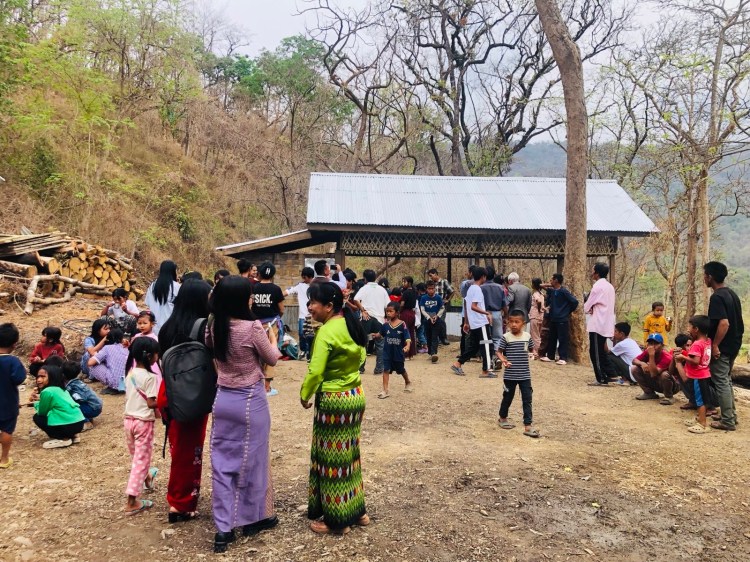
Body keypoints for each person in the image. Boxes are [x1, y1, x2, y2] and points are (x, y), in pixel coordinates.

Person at [206, 275, 281, 553]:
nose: (252, 298)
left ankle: (223, 529)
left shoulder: (213, 327)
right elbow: (272, 358)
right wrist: (273, 338)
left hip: (223, 399)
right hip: (250, 399)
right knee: (254, 461)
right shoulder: (252, 327)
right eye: (249, 295)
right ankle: (253, 518)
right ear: (240, 300)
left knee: (222, 463)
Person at [300, 282, 369, 535]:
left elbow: (316, 370)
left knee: (332, 459)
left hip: (334, 400)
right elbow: (362, 358)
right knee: (350, 455)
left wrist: (305, 394)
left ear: (329, 306)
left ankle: (337, 520)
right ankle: (358, 512)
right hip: (355, 395)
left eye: (313, 303)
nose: (309, 307)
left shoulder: (326, 332)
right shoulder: (351, 324)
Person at [158, 278, 212, 524]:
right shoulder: (203, 328)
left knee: (179, 448)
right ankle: (180, 504)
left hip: (168, 392)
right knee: (190, 451)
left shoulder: (167, 327)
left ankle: (178, 497)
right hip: (191, 394)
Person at [122, 337, 160, 515]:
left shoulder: (130, 373)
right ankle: (132, 501)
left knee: (137, 457)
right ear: (150, 356)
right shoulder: (151, 377)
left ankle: (147, 477)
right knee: (141, 460)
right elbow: (151, 403)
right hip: (143, 422)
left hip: (128, 421)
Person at [704, 261, 744, 431]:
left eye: (705, 275)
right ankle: (730, 415)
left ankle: (727, 421)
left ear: (710, 277)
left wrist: (715, 345)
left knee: (721, 381)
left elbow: (724, 323)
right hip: (734, 344)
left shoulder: (717, 297)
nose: (704, 278)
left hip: (723, 347)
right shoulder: (732, 294)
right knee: (726, 380)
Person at [496, 309, 539, 438]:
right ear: (508, 323)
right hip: (510, 375)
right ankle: (502, 418)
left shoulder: (527, 336)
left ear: (523, 324)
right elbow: (498, 351)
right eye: (511, 322)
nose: (514, 324)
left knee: (527, 399)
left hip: (525, 375)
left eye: (517, 322)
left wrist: (533, 353)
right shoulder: (506, 337)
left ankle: (528, 426)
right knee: (507, 397)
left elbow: (531, 349)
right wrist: (503, 360)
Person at [451, 267, 494, 378]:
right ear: (483, 277)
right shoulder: (477, 289)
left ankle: (458, 363)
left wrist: (466, 322)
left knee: (474, 347)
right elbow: (473, 306)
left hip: (474, 323)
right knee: (487, 345)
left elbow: (466, 306)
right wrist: (487, 313)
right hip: (480, 323)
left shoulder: (470, 289)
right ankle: (486, 371)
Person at [675, 315, 713, 434]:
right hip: (705, 374)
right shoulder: (708, 341)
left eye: (690, 326)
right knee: (702, 398)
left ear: (696, 329)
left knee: (699, 400)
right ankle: (699, 418)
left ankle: (702, 424)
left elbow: (696, 361)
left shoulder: (697, 344)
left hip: (698, 376)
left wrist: (683, 357)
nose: (688, 329)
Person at [32, 364, 85, 449]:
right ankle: (74, 436)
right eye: (38, 376)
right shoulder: (62, 389)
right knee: (57, 413)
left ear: (52, 377)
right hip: (79, 423)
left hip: (68, 425)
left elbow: (42, 412)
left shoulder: (47, 391)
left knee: (38, 417)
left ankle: (64, 438)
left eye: (43, 377)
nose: (38, 380)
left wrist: (35, 404)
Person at [252, 262, 285, 396]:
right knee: (271, 353)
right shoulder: (276, 289)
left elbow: (250, 306)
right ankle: (267, 387)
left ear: (259, 273)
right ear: (273, 274)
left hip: (255, 325)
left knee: (256, 353)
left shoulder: (254, 287)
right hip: (272, 325)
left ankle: (256, 384)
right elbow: (281, 309)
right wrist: (277, 318)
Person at [584, 263, 617, 386]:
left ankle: (601, 378)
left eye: (593, 270)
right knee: (601, 350)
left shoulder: (597, 287)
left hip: (598, 323)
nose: (591, 273)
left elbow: (587, 306)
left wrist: (588, 308)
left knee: (595, 352)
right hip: (606, 322)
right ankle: (610, 374)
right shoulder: (609, 286)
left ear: (596, 273)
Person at [354, 269, 391, 375]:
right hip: (379, 319)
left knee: (363, 343)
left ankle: (361, 367)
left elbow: (356, 299)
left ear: (365, 279)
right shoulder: (382, 290)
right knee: (380, 344)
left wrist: (363, 310)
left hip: (366, 318)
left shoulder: (364, 288)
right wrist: (388, 318)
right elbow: (388, 305)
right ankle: (379, 368)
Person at [0, 323, 26, 468]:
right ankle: (4, 459)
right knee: (7, 431)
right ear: (14, 344)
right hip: (8, 404)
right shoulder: (13, 361)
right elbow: (19, 378)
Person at [540, 273, 578, 365]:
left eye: (552, 279)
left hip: (562, 319)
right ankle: (550, 356)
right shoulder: (553, 291)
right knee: (552, 338)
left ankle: (563, 357)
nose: (550, 281)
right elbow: (541, 285)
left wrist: (567, 311)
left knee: (562, 339)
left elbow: (574, 302)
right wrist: (550, 284)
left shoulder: (564, 291)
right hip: (553, 318)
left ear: (556, 280)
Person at [377, 302, 413, 399]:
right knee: (386, 369)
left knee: (401, 370)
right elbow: (380, 334)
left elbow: (407, 337)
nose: (388, 313)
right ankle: (385, 391)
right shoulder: (385, 325)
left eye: (391, 311)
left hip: (398, 352)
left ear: (397, 312)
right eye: (387, 311)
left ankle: (407, 382)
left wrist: (407, 345)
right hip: (387, 352)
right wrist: (375, 335)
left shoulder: (402, 324)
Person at [630, 333, 676, 404]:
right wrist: (642, 363)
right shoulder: (647, 352)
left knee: (664, 374)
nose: (653, 346)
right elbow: (634, 361)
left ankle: (669, 396)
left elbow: (654, 373)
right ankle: (649, 393)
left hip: (672, 386)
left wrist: (651, 356)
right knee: (634, 369)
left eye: (656, 344)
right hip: (657, 382)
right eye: (651, 343)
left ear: (662, 345)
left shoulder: (666, 357)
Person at [285, 267, 315, 360]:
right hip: (303, 315)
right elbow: (288, 291)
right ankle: (303, 350)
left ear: (308, 277)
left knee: (313, 335)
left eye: (305, 277)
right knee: (302, 334)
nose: (303, 279)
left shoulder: (316, 286)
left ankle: (311, 351)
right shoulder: (300, 286)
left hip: (314, 315)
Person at [145, 260, 181, 335]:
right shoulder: (176, 287)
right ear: (173, 271)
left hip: (154, 326)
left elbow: (148, 304)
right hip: (170, 327)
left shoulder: (152, 286)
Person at [88, 327, 129, 393]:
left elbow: (90, 363)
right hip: (127, 383)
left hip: (115, 383)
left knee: (93, 365)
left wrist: (96, 355)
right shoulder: (126, 348)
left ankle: (113, 387)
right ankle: (121, 386)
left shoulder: (107, 348)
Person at [63, 361, 102, 429]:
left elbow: (81, 398)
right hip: (96, 406)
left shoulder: (72, 386)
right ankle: (88, 418)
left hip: (93, 409)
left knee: (72, 406)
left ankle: (86, 422)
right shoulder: (78, 382)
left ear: (63, 375)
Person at [482, 266, 508, 361]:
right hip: (497, 314)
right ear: (494, 275)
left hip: (484, 314)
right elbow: (504, 304)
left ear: (484, 275)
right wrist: (506, 316)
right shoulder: (500, 287)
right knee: (498, 337)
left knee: (486, 337)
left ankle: (487, 357)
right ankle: (497, 357)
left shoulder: (481, 287)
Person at [427, 268, 454, 345]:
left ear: (435, 274)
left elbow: (452, 291)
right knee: (433, 322)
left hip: (441, 306)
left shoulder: (444, 282)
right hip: (432, 306)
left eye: (431, 275)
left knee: (441, 321)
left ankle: (443, 339)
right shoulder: (431, 284)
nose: (430, 277)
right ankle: (436, 339)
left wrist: (448, 300)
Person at [420, 282, 445, 363]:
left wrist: (437, 316)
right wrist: (428, 317)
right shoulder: (423, 298)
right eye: (429, 289)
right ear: (426, 289)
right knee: (428, 336)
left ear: (435, 289)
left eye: (432, 289)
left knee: (435, 336)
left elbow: (442, 308)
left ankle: (434, 353)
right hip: (427, 321)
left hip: (436, 320)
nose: (431, 290)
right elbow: (422, 309)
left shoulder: (438, 298)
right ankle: (430, 353)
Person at [399, 277, 418, 360]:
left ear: (409, 283)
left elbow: (402, 304)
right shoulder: (415, 291)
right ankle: (411, 354)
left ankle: (405, 354)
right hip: (412, 314)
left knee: (405, 333)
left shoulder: (406, 292)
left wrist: (398, 312)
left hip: (405, 313)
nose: (403, 283)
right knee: (411, 333)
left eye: (405, 282)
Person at [529, 278, 545, 358]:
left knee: (534, 335)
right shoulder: (542, 294)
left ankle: (536, 352)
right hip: (541, 316)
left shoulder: (535, 294)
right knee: (538, 334)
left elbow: (538, 301)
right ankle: (538, 351)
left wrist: (538, 309)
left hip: (535, 315)